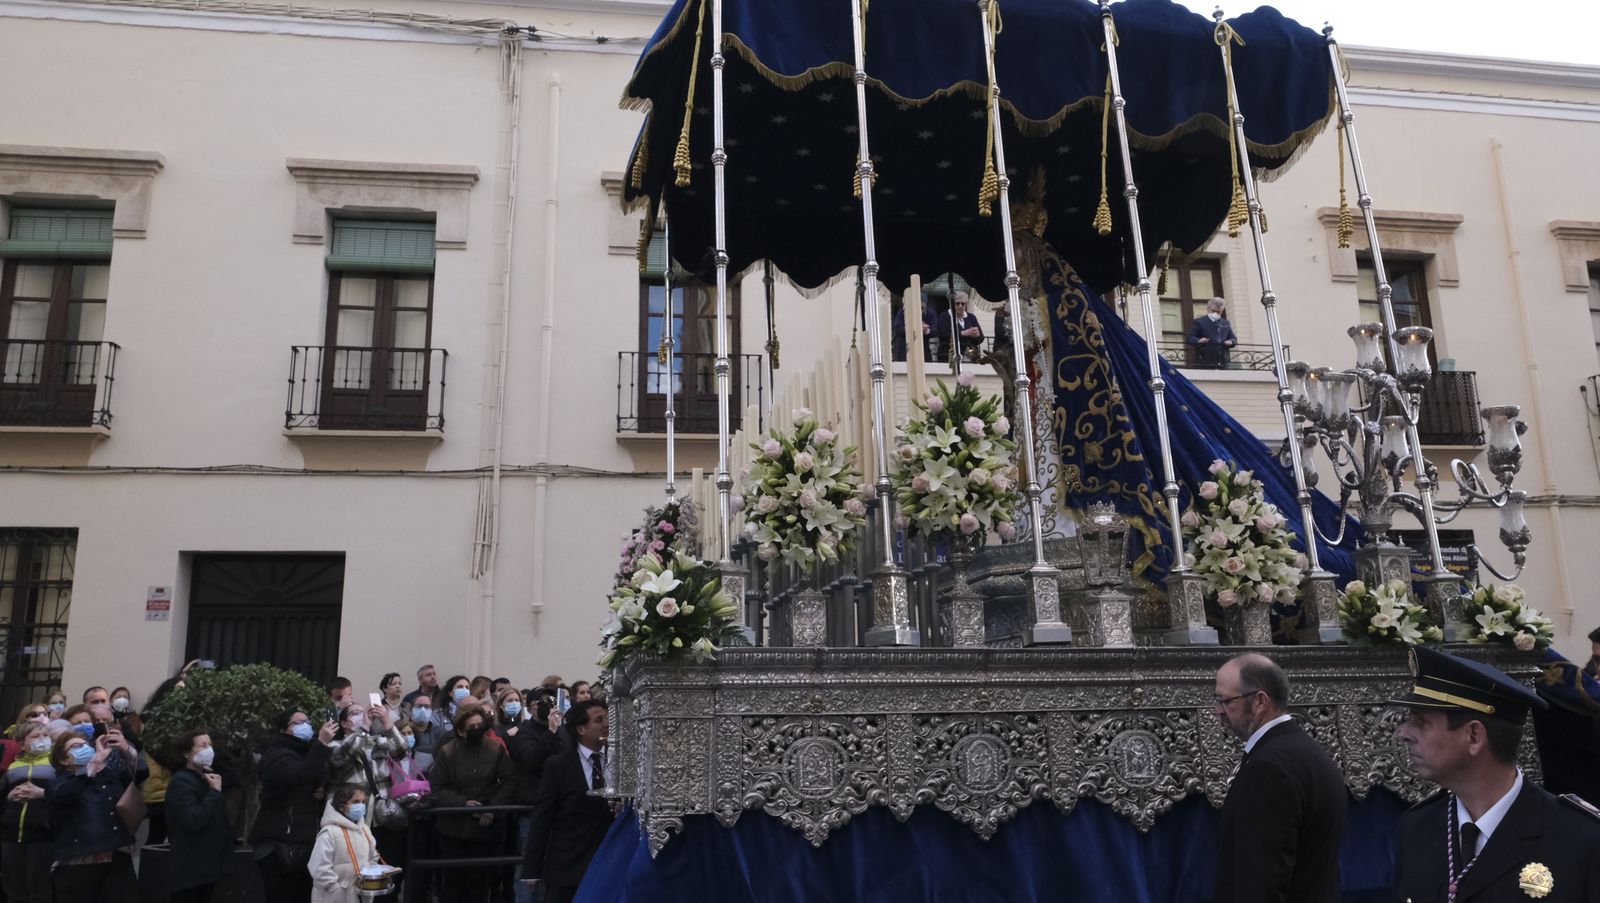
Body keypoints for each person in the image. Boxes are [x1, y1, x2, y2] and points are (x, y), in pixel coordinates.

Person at [1392, 646, 1600, 901]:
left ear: (1474, 736)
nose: (1404, 733)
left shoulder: (1579, 838)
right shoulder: (1417, 827)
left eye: (1421, 723)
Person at [1212, 653, 1346, 903]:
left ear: (1260, 701)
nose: (1218, 711)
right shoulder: (1308, 751)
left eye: (1225, 701)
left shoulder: (1268, 769)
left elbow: (1262, 879)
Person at [523, 700, 616, 903]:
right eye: (599, 720)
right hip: (568, 862)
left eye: (608, 718)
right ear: (581, 728)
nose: (607, 724)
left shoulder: (617, 761)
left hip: (608, 860)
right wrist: (532, 868)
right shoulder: (558, 765)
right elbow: (542, 817)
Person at [48, 723, 146, 902]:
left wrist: (125, 750)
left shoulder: (108, 774)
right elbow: (64, 795)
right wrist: (91, 767)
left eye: (86, 745)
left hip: (115, 855)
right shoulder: (59, 782)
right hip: (78, 861)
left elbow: (138, 776)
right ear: (63, 760)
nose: (84, 749)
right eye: (76, 747)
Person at [430, 704, 516, 903]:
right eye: (472, 726)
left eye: (480, 725)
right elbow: (437, 787)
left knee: (479, 883)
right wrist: (463, 803)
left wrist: (492, 809)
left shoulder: (495, 748)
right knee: (453, 882)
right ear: (460, 730)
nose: (477, 729)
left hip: (485, 826)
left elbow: (509, 781)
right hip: (454, 826)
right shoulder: (448, 752)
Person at [251, 708, 337, 903]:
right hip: (279, 843)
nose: (305, 726)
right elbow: (298, 776)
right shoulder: (277, 754)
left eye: (307, 721)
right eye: (298, 723)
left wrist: (321, 788)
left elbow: (319, 773)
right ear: (283, 730)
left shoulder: (306, 751)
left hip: (302, 841)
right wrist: (322, 743)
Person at [164, 728, 232, 903]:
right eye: (202, 745)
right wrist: (214, 793)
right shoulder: (181, 781)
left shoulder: (205, 777)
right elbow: (193, 820)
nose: (208, 749)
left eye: (210, 745)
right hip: (190, 869)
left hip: (207, 866)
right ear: (186, 753)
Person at [2, 721, 56, 903]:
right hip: (11, 834)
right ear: (23, 744)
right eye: (35, 736)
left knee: (39, 887)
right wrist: (9, 795)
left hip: (42, 835)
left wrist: (43, 794)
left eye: (45, 735)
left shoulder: (56, 763)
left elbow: (65, 793)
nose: (42, 739)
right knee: (14, 887)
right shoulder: (13, 767)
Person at [308, 786, 383, 903]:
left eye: (363, 802)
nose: (362, 806)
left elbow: (373, 857)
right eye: (356, 802)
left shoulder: (365, 830)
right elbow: (319, 867)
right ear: (342, 806)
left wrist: (370, 878)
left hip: (358, 895)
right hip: (331, 898)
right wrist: (335, 890)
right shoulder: (329, 833)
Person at [140, 675, 186, 844]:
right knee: (158, 833)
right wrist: (187, 763)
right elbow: (160, 752)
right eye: (179, 689)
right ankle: (150, 869)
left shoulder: (182, 718)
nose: (182, 694)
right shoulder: (154, 719)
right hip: (161, 785)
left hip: (173, 784)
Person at [1185, 297, 1237, 369]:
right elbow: (1189, 338)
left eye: (1218, 312)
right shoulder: (1199, 322)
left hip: (1223, 362)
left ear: (1222, 311)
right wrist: (1199, 341)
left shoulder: (1226, 323)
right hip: (1205, 361)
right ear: (1208, 309)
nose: (1215, 314)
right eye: (1213, 311)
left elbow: (1233, 338)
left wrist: (1231, 341)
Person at [407, 696, 441, 772]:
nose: (422, 710)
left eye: (426, 707)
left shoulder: (440, 732)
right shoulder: (403, 731)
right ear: (411, 710)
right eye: (418, 706)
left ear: (432, 710)